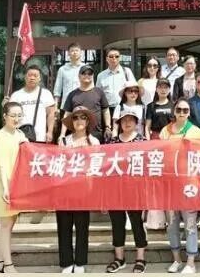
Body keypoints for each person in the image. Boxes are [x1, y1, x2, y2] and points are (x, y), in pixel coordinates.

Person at [159, 99, 200, 273]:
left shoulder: (195, 131)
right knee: (172, 223)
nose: (182, 113)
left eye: (185, 110)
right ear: (174, 111)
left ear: (189, 112)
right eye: (179, 109)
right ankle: (176, 259)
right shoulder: (165, 131)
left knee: (190, 224)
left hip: (189, 184)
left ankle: (191, 262)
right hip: (169, 183)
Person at [56, 106, 99, 273]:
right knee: (64, 226)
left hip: (84, 190)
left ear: (87, 121)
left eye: (83, 117)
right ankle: (66, 262)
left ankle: (80, 261)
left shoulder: (94, 141)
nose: (79, 121)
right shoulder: (64, 141)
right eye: (75, 117)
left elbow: (97, 166)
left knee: (82, 227)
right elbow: (58, 165)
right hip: (64, 189)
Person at [106, 109, 148, 273]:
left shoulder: (142, 141)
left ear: (136, 123)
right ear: (119, 123)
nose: (127, 122)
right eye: (124, 120)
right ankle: (119, 258)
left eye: (131, 119)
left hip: (135, 190)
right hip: (115, 190)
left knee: (137, 223)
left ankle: (140, 258)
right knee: (117, 224)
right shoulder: (112, 142)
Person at [0, 102, 28, 274]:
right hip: (6, 186)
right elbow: (2, 165)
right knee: (6, 225)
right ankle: (8, 265)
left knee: (10, 224)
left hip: (17, 185)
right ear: (5, 116)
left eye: (19, 115)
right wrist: (6, 188)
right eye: (13, 115)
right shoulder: (1, 137)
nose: (16, 119)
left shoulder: (19, 134)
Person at [60, 65, 111, 143]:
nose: (87, 75)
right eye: (84, 73)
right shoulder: (72, 94)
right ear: (79, 76)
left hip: (96, 134)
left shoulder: (99, 92)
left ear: (92, 76)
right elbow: (67, 115)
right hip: (77, 135)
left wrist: (108, 127)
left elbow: (106, 111)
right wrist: (62, 134)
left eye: (89, 73)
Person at [8, 65, 56, 143]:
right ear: (25, 77)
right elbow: (10, 116)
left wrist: (50, 132)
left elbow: (51, 114)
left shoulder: (46, 94)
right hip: (19, 136)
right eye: (29, 75)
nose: (32, 78)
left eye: (35, 76)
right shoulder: (16, 95)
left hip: (40, 137)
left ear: (40, 78)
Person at [54, 42, 85, 109]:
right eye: (72, 51)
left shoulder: (86, 68)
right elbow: (57, 89)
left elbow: (91, 87)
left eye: (77, 50)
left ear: (81, 53)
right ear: (68, 53)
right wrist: (56, 105)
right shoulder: (62, 69)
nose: (75, 52)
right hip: (66, 104)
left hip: (83, 104)